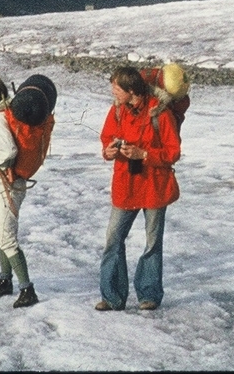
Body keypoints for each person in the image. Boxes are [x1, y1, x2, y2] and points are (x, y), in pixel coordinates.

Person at [96, 66, 181, 311]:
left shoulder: (160, 113)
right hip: (126, 185)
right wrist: (108, 151)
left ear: (131, 91)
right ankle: (112, 297)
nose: (112, 92)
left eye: (116, 88)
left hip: (154, 186)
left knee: (152, 243)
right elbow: (106, 138)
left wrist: (144, 154)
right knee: (113, 240)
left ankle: (149, 295)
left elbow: (173, 152)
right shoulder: (117, 111)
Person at [0, 72, 42, 308]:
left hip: (6, 184)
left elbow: (8, 152)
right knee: (0, 231)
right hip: (6, 183)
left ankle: (27, 289)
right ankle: (5, 280)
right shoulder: (5, 113)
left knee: (6, 237)